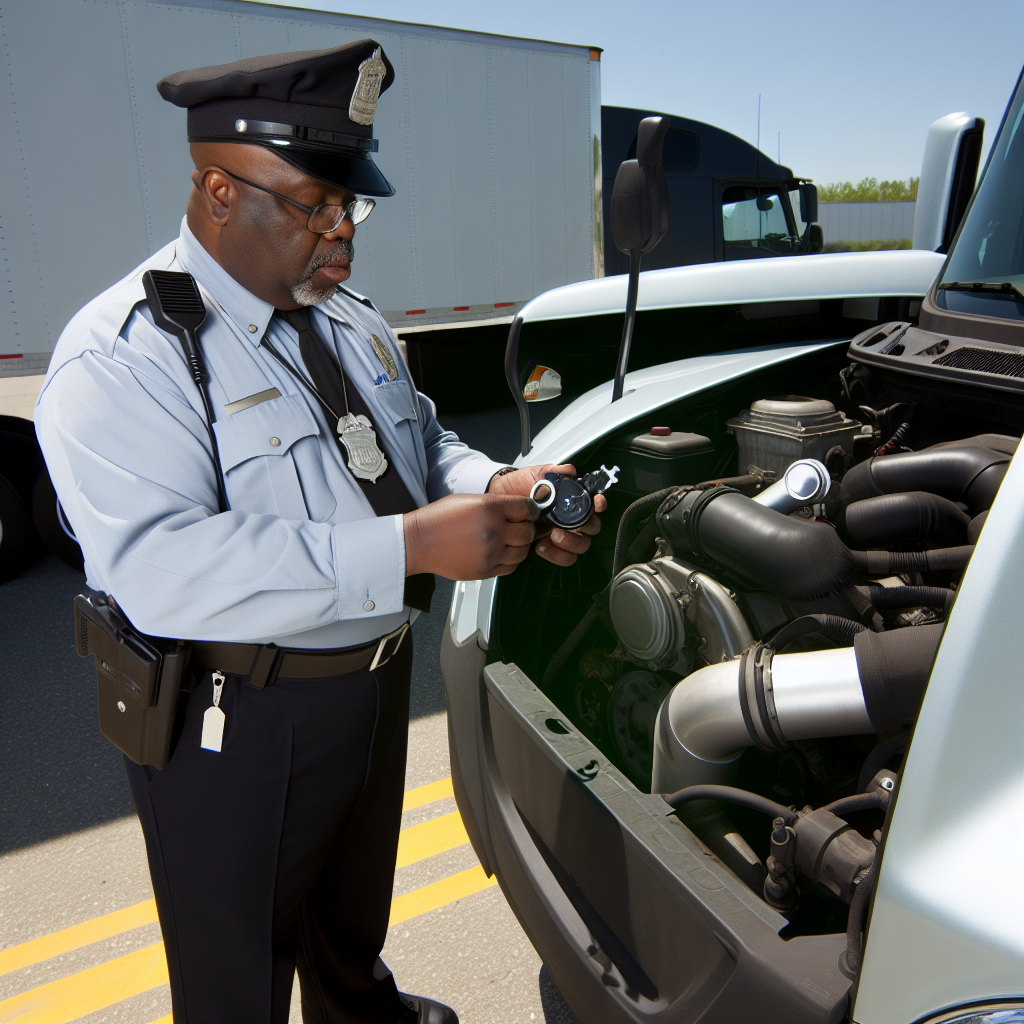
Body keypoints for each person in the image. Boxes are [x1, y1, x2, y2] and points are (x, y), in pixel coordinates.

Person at [35, 40, 604, 1024]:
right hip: (239, 710)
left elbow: (417, 440)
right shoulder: (126, 353)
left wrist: (497, 484)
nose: (341, 233)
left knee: (348, 919)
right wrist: (414, 548)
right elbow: (160, 568)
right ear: (219, 191)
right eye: (312, 205)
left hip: (372, 680)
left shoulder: (348, 316)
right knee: (236, 976)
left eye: (352, 206)